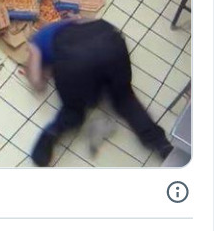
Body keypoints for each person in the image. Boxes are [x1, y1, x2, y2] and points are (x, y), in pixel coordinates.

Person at [26, 18, 173, 166]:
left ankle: (49, 138)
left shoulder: (35, 42)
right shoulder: (70, 21)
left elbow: (37, 84)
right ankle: (162, 144)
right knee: (125, 99)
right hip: (111, 42)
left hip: (75, 61)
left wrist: (40, 71)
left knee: (74, 111)